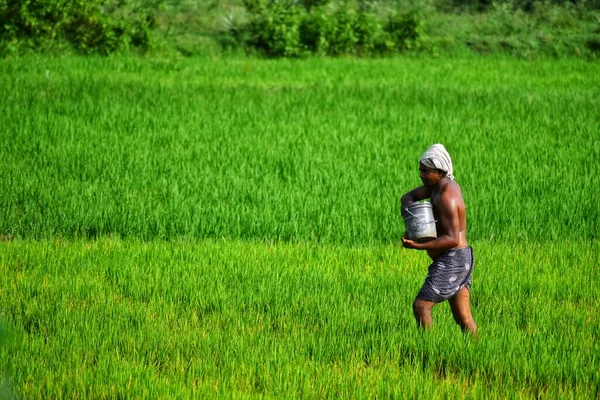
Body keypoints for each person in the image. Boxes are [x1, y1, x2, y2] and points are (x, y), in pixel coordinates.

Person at [400, 144, 477, 337]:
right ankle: (476, 348)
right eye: (420, 170)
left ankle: (429, 347)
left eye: (426, 171)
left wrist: (418, 245)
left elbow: (451, 239)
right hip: (460, 259)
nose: (421, 175)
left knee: (421, 306)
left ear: (440, 171)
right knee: (463, 317)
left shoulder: (446, 197)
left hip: (453, 259)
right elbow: (408, 197)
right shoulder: (436, 187)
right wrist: (415, 224)